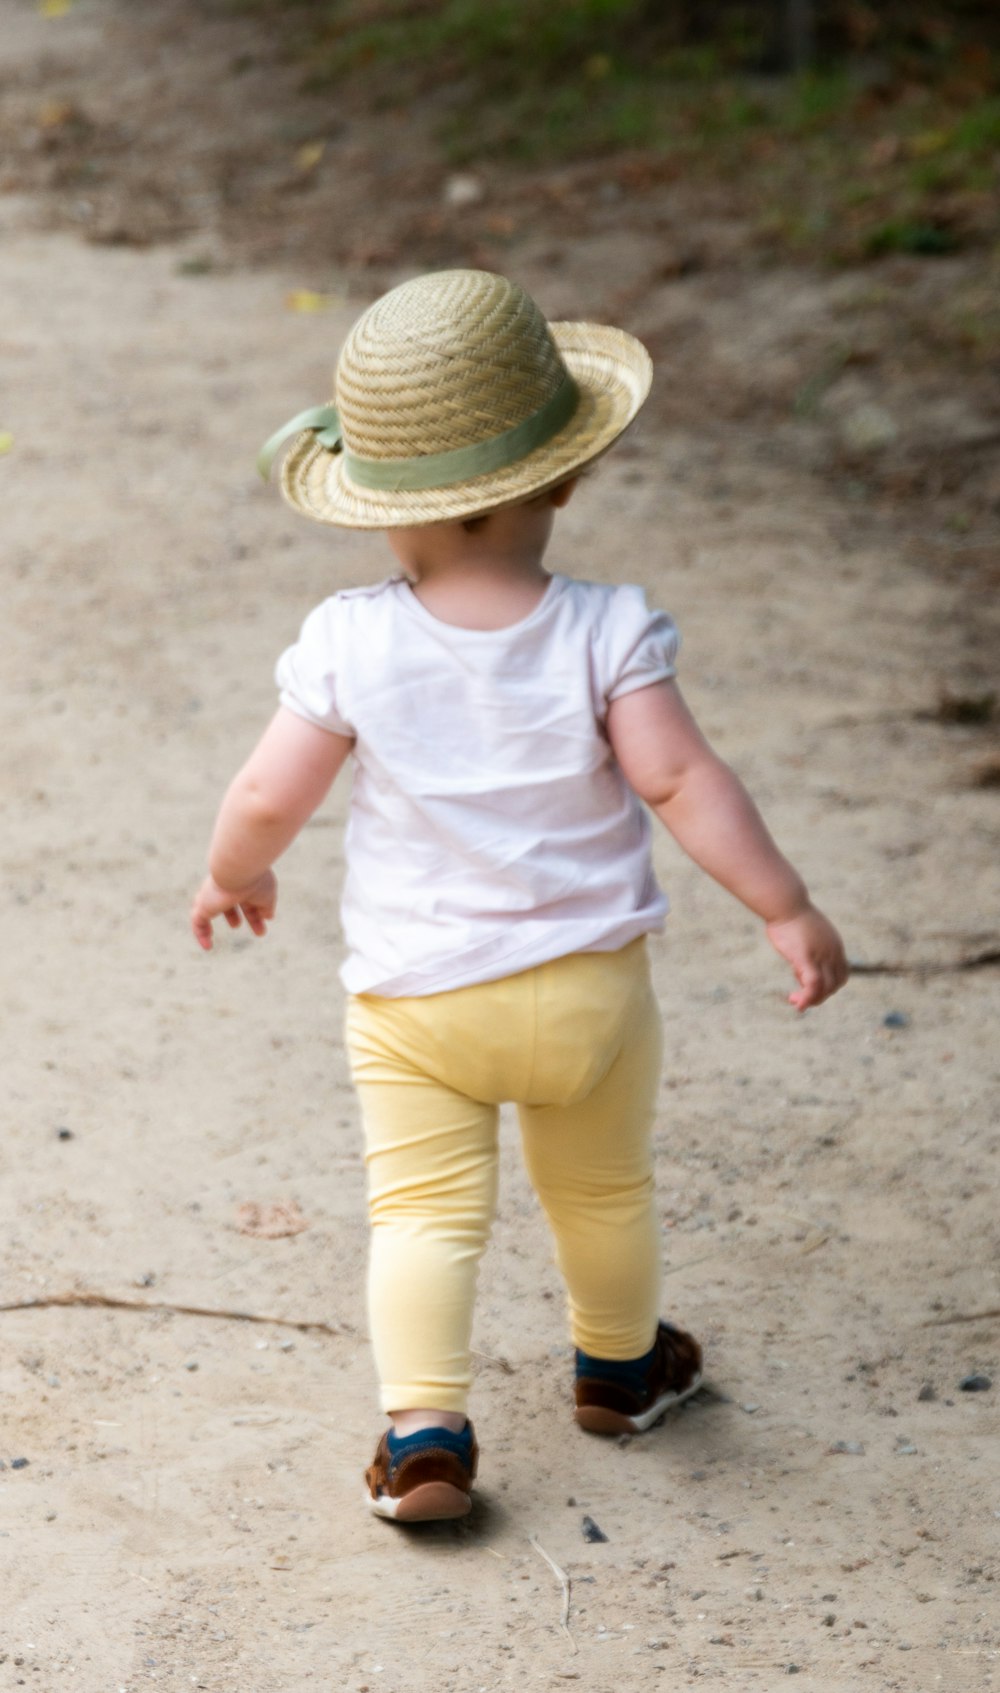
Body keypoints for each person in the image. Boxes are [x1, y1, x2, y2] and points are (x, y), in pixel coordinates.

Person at [190, 269, 849, 1524]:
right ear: (561, 476)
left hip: (413, 1004)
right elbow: (679, 775)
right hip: (589, 992)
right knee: (602, 1189)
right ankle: (617, 1369)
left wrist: (235, 872)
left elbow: (270, 795)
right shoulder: (604, 628)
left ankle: (424, 1431)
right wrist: (783, 902)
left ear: (385, 510)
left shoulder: (349, 637)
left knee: (424, 1211)